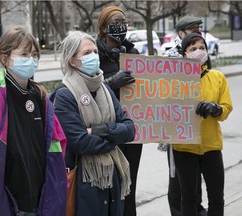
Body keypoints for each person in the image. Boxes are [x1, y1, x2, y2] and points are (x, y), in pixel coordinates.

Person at [0, 25, 67, 216]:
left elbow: (57, 147)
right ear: (4, 58)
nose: (31, 60)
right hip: (7, 205)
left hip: (40, 202)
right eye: (24, 54)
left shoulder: (40, 97)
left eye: (34, 55)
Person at [50, 31, 135, 216]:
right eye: (87, 53)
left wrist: (99, 130)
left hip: (112, 175)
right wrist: (114, 137)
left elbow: (129, 129)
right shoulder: (64, 95)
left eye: (95, 51)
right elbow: (81, 143)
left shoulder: (104, 88)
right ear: (73, 61)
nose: (94, 56)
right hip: (84, 182)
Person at [172, 32, 233, 216]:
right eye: (193, 49)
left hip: (211, 146)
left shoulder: (217, 77)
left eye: (202, 48)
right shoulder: (174, 80)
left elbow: (226, 108)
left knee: (216, 198)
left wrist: (216, 109)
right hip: (184, 148)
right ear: (184, 54)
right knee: (188, 197)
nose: (198, 52)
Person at [96, 6, 143, 216]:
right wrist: (110, 83)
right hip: (108, 131)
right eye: (116, 22)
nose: (121, 26)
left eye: (124, 21)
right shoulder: (93, 55)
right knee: (109, 187)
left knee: (129, 185)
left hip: (131, 132)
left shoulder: (133, 54)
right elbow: (85, 91)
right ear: (105, 27)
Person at [160, 16, 209, 216]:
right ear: (181, 34)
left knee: (194, 175)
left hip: (199, 125)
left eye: (199, 29)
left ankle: (196, 208)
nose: (197, 32)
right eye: (192, 30)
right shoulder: (172, 58)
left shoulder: (199, 53)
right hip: (178, 126)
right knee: (178, 176)